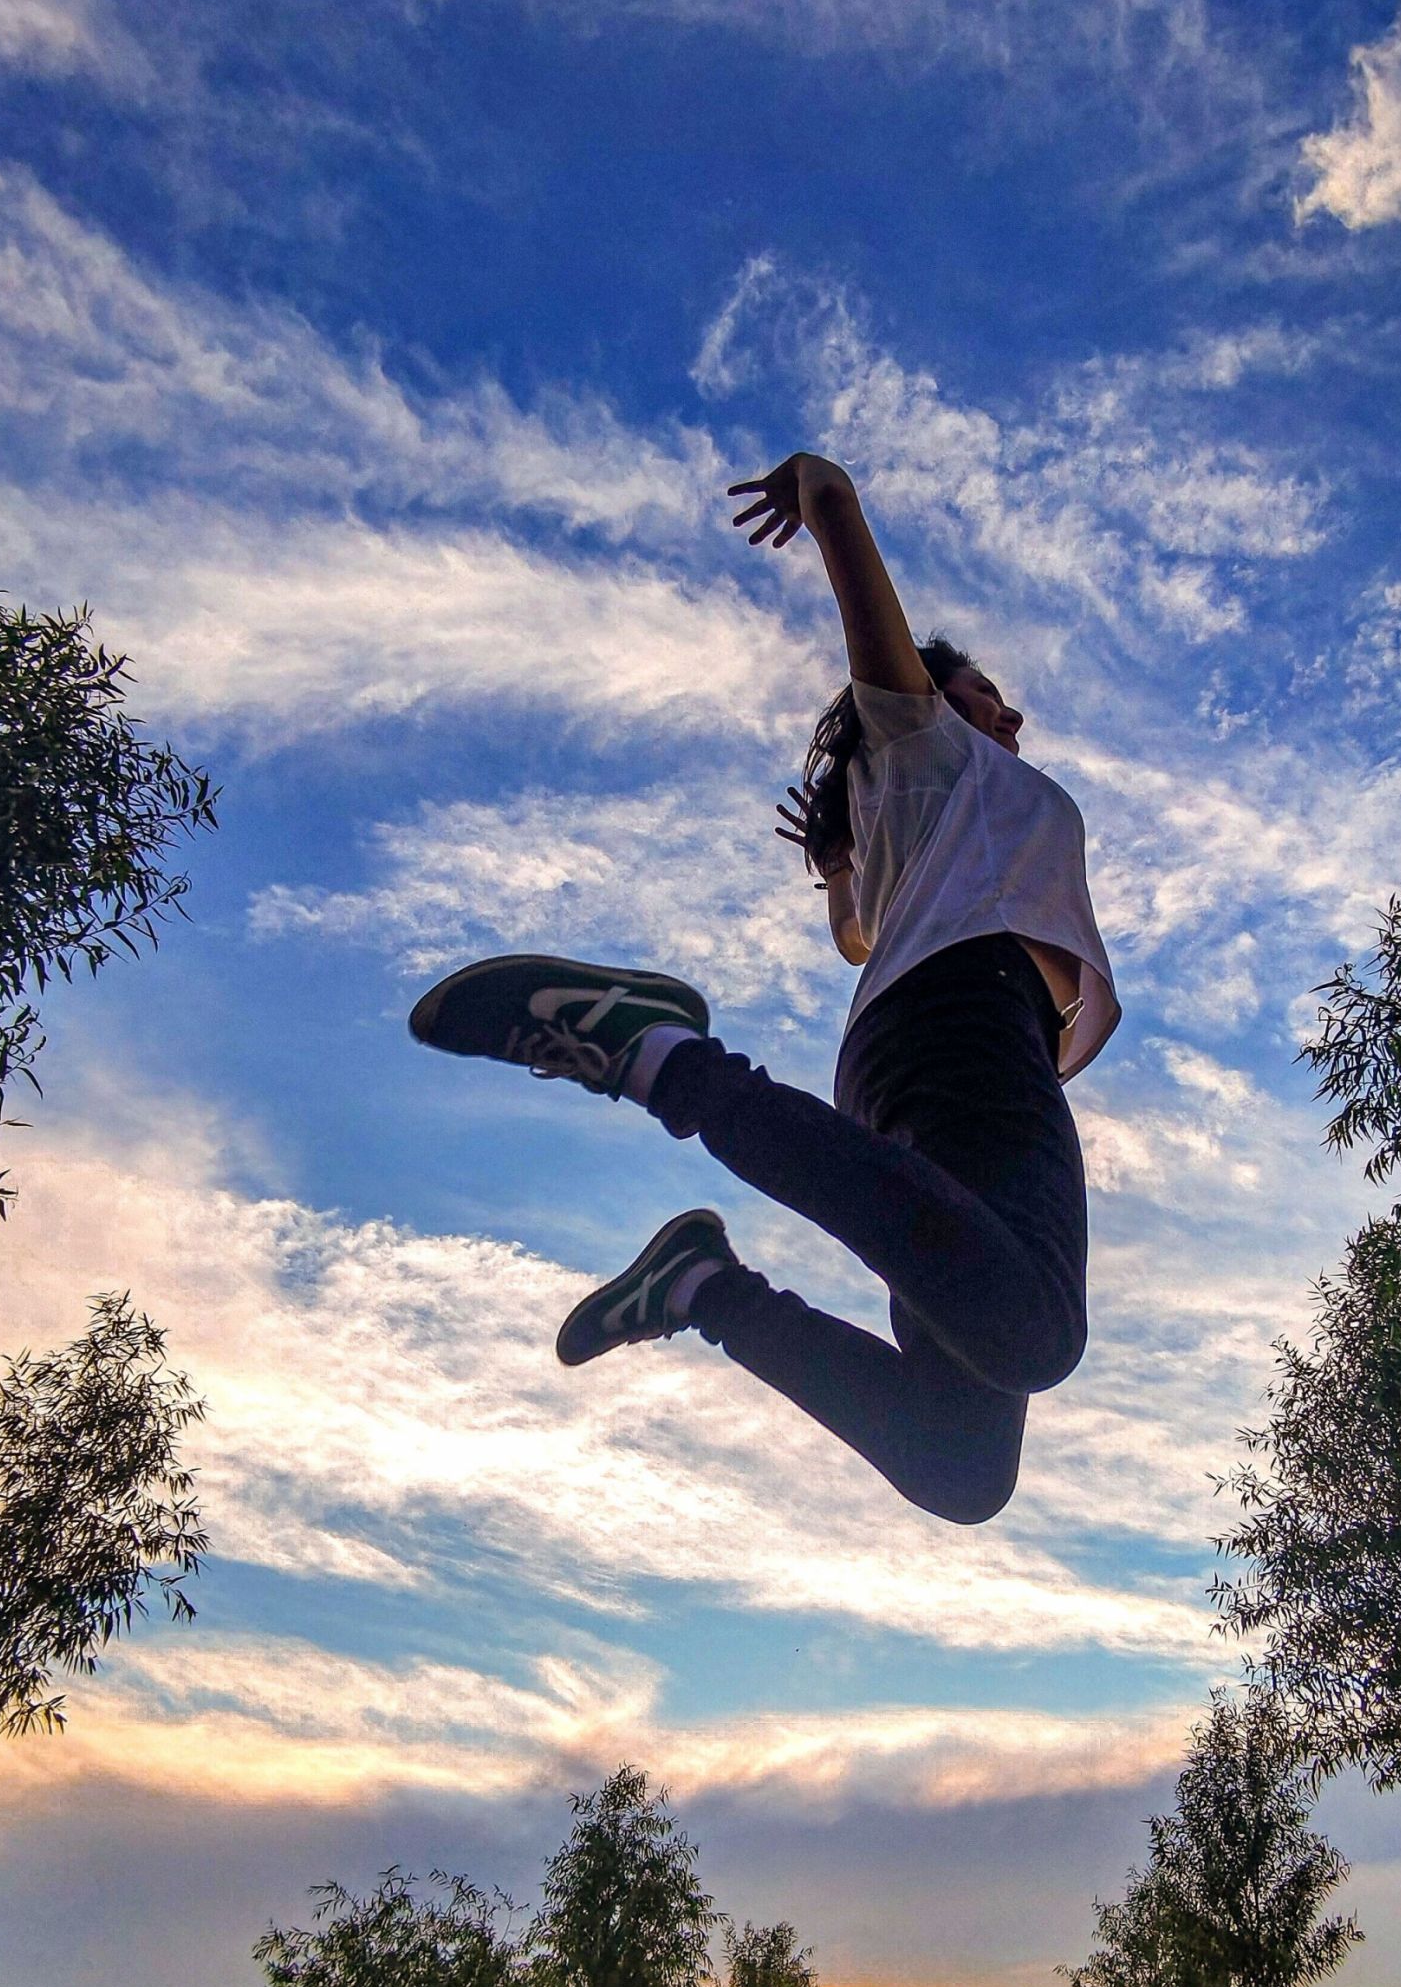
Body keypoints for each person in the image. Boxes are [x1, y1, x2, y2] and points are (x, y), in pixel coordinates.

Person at [408, 451, 1119, 1523]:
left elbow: (852, 939)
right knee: (1032, 1332)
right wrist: (823, 498)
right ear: (933, 693)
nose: (1008, 715)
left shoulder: (918, 808)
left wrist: (837, 864)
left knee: (964, 1464)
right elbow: (834, 498)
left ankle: (703, 1286)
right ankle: (660, 1059)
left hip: (927, 1046)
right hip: (965, 1027)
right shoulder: (927, 743)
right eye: (989, 694)